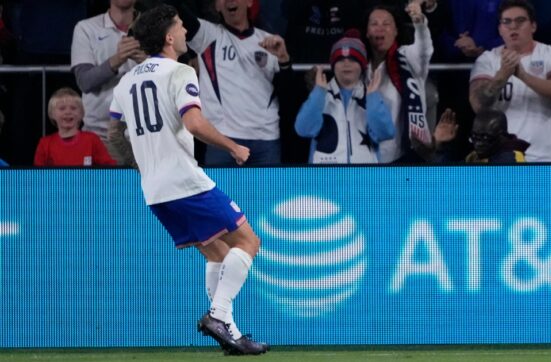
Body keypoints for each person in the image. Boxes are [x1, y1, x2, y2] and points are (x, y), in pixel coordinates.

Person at [107, 4, 267, 355]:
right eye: (180, 27)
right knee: (249, 242)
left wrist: (142, 162)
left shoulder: (126, 82)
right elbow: (194, 124)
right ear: (168, 36)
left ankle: (232, 335)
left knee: (217, 253)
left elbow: (115, 131)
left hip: (154, 189)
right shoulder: (179, 72)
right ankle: (218, 315)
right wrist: (233, 146)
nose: (184, 33)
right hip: (185, 180)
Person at [168, 0, 295, 166]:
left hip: (266, 140)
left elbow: (289, 96)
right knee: (222, 193)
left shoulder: (270, 42)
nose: (230, 1)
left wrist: (284, 60)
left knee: (267, 193)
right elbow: (175, 7)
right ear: (217, 6)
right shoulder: (207, 35)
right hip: (222, 141)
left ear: (250, 2)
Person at [469, 0, 551, 162]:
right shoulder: (488, 59)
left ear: (533, 26)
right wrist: (502, 76)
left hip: (546, 157)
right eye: (507, 22)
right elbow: (477, 104)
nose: (513, 26)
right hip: (501, 158)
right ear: (500, 29)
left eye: (520, 21)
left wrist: (523, 75)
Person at [295, 30, 395, 163]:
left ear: (362, 65)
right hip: (326, 180)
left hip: (364, 179)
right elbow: (303, 129)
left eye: (353, 59)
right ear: (333, 65)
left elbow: (384, 133)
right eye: (341, 59)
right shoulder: (320, 95)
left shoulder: (371, 96)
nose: (346, 64)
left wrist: (373, 98)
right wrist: (318, 93)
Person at [71, 0, 146, 165]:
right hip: (102, 137)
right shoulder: (86, 28)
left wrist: (149, 61)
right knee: (107, 190)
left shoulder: (154, 27)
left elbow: (172, 79)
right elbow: (85, 82)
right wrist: (118, 59)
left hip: (148, 136)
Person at [365, 1, 434, 163]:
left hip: (405, 155)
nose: (380, 27)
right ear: (367, 32)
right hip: (365, 157)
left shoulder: (409, 58)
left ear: (396, 31)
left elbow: (424, 49)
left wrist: (419, 23)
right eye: (374, 24)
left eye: (386, 24)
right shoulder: (358, 65)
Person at [33, 87, 116, 167]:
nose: (68, 112)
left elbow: (109, 170)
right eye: (62, 108)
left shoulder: (92, 140)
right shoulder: (45, 144)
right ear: (52, 114)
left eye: (73, 108)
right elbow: (38, 177)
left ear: (82, 113)